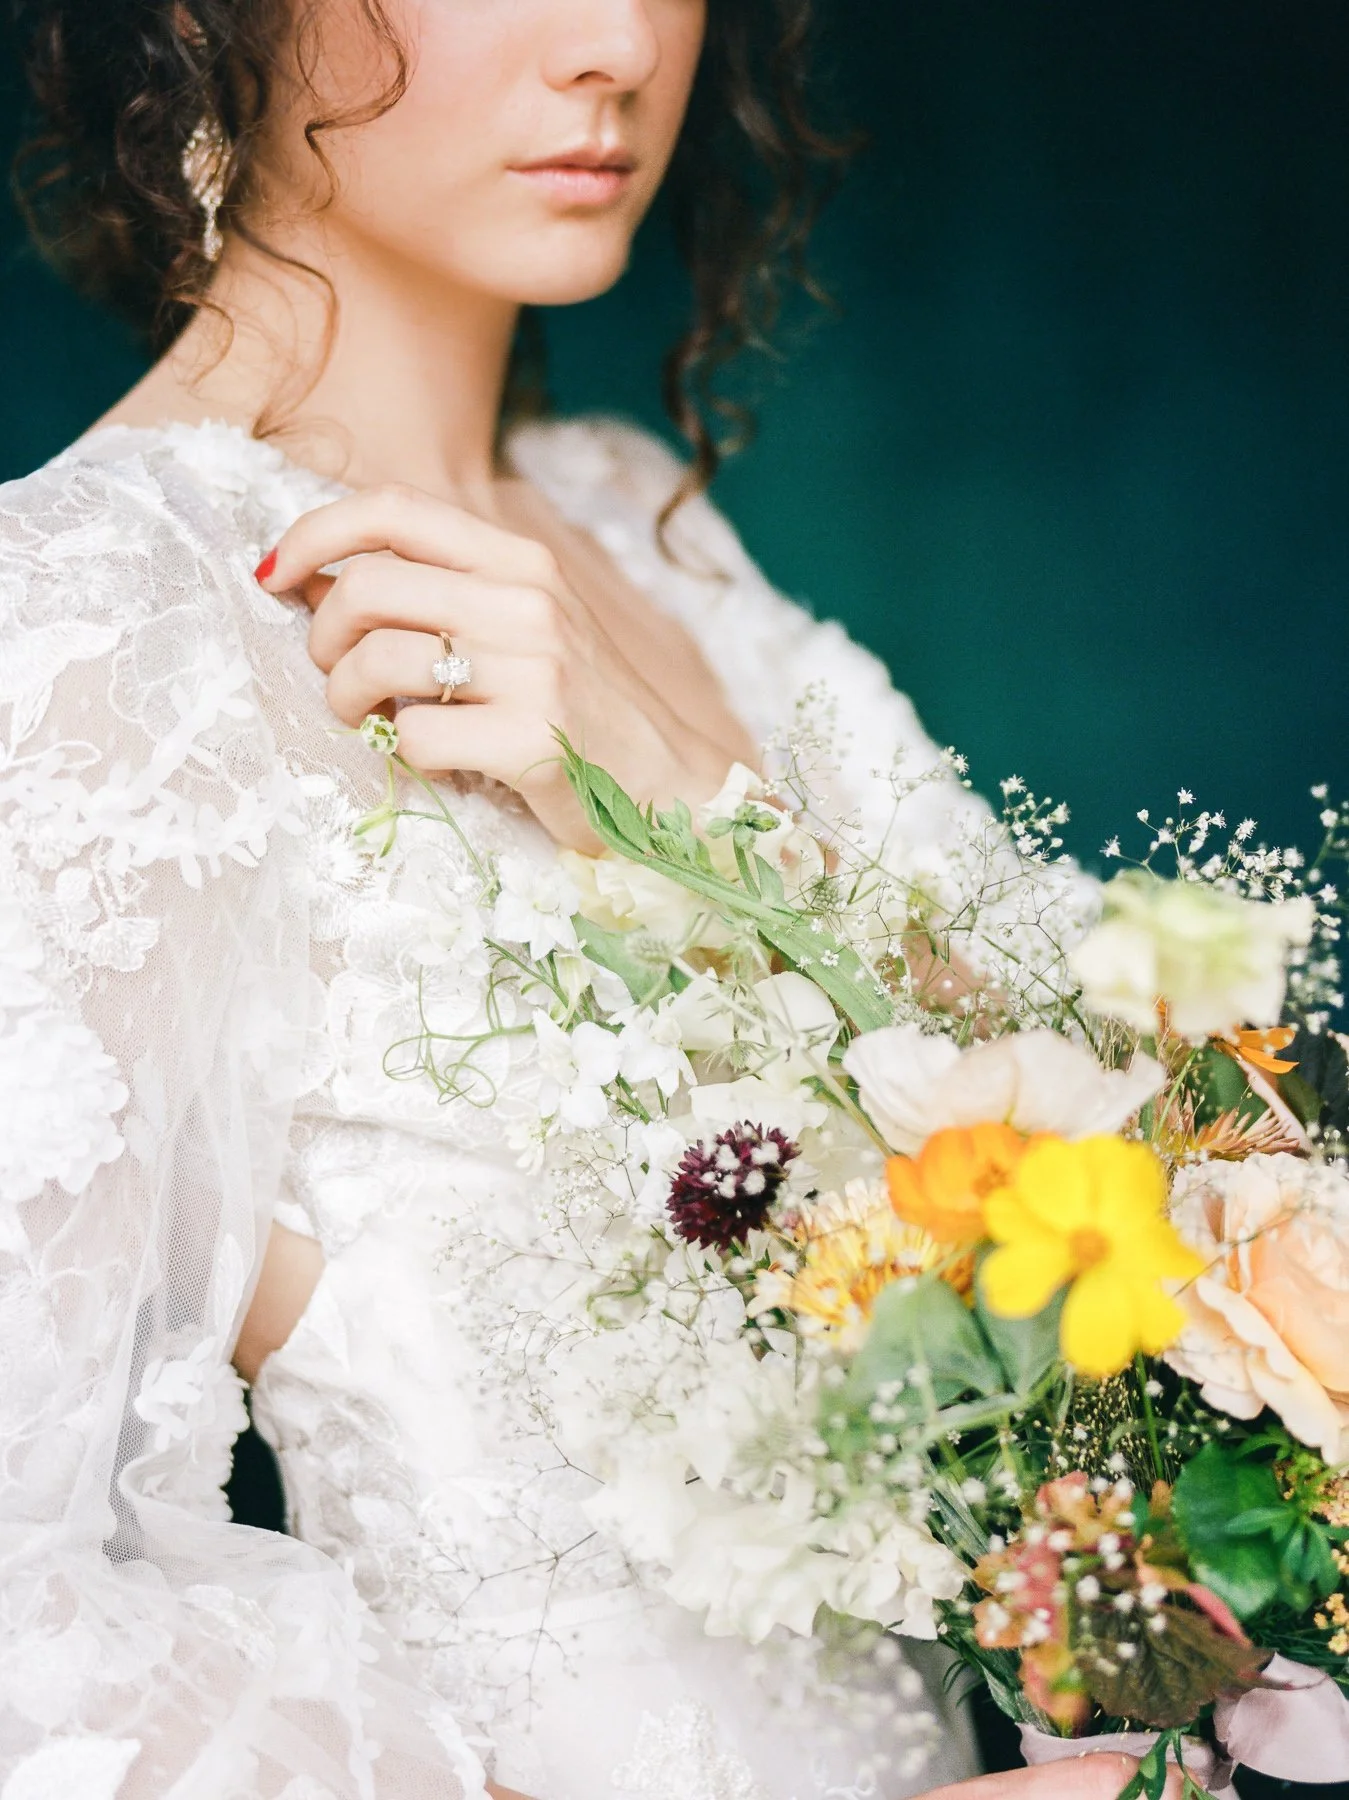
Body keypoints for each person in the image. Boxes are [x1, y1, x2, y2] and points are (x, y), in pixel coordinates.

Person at [0, 2, 1180, 1796]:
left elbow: (1128, 1178)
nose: (620, 41)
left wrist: (670, 800)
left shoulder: (639, 519)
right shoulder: (91, 625)